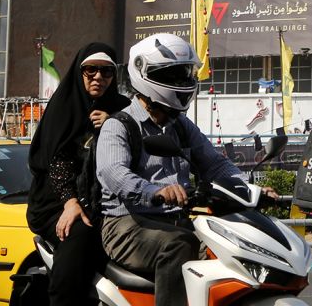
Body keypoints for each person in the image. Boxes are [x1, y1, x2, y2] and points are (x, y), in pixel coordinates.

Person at [97, 34, 259, 305]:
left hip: (176, 221)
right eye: (173, 75)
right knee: (179, 245)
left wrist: (247, 187)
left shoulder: (181, 126)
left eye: (185, 74)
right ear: (144, 74)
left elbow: (214, 163)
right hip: (126, 225)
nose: (183, 83)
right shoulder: (120, 125)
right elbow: (115, 174)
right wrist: (156, 191)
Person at [27, 43, 130, 306]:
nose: (99, 77)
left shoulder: (121, 109)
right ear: (79, 71)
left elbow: (142, 146)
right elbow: (56, 160)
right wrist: (70, 202)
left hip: (107, 201)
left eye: (106, 71)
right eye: (91, 70)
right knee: (80, 234)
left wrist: (114, 124)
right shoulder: (64, 108)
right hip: (56, 202)